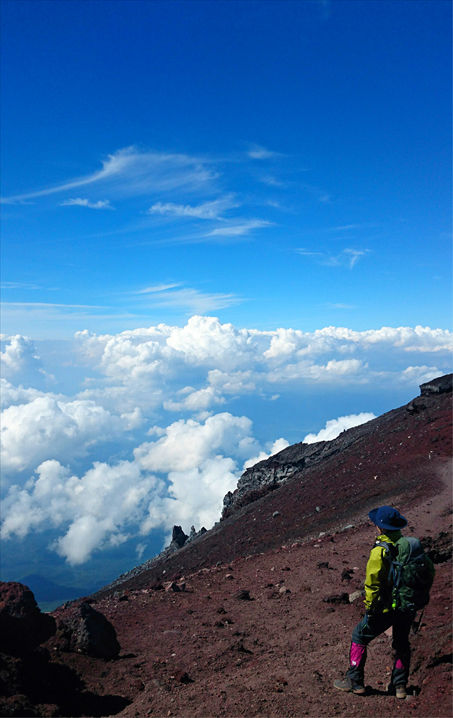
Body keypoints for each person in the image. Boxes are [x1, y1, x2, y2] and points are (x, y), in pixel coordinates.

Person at [333, 505, 415, 699]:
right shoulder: (408, 546)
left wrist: (370, 609)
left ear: (381, 528)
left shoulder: (380, 551)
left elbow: (372, 584)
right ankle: (400, 686)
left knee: (359, 636)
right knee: (401, 642)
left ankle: (355, 682)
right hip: (406, 606)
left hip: (386, 607)